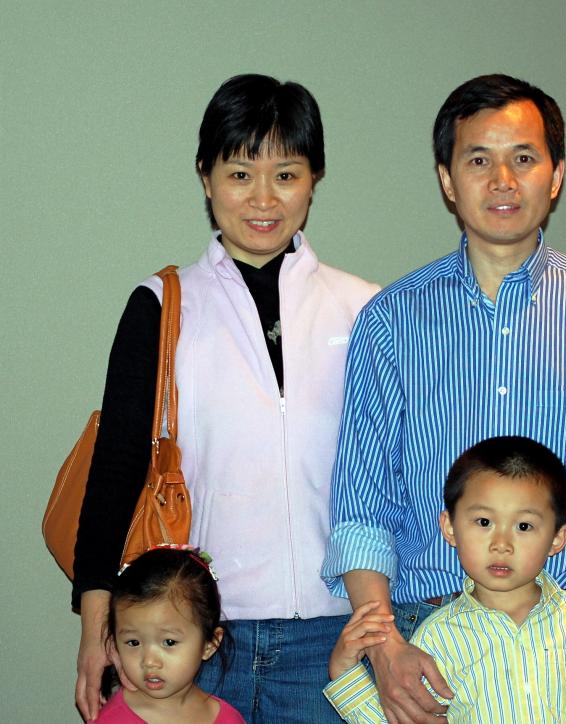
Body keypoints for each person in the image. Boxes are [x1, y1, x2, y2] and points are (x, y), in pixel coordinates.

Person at [322, 73, 566, 723]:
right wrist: (383, 648)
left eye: (524, 158)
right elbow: (361, 510)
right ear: (447, 180)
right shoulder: (389, 320)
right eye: (479, 160)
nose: (503, 181)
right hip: (425, 634)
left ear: (557, 174)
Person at [73, 74, 379, 723]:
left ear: (314, 179)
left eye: (286, 174)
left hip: (332, 642)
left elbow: (395, 479)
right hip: (192, 646)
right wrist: (95, 631)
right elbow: (115, 471)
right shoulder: (161, 306)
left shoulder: (366, 310)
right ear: (206, 176)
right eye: (240, 173)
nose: (262, 198)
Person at [324, 437, 566, 723]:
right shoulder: (436, 636)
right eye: (483, 522)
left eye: (524, 526)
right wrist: (345, 676)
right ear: (450, 527)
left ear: (558, 538)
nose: (501, 544)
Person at [95, 546, 244, 723]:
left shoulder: (229, 719)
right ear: (114, 644)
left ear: (209, 644)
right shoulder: (112, 720)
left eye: (169, 642)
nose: (149, 661)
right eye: (134, 642)